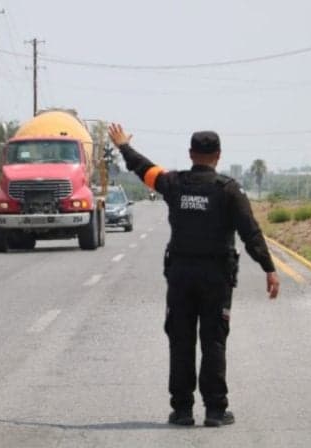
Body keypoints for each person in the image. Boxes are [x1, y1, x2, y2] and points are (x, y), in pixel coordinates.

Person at [107, 123, 280, 427]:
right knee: (213, 340)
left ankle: (183, 410)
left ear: (191, 154)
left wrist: (123, 146)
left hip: (181, 276)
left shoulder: (174, 183)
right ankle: (215, 411)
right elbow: (250, 233)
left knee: (181, 340)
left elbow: (142, 167)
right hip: (216, 276)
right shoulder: (229, 190)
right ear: (218, 156)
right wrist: (269, 268)